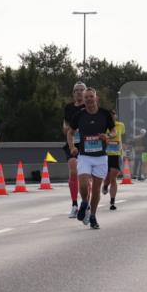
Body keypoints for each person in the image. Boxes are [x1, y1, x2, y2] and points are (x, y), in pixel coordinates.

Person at [67, 88, 114, 230]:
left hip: (101, 157)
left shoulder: (105, 114)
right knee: (83, 183)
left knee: (96, 189)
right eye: (86, 97)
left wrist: (108, 136)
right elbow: (70, 132)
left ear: (96, 98)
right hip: (85, 156)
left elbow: (113, 131)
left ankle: (93, 216)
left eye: (91, 97)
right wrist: (72, 147)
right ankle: (84, 203)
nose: (88, 99)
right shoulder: (79, 115)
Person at [62, 83, 87, 218]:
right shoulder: (69, 108)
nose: (79, 92)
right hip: (71, 143)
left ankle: (86, 202)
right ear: (73, 93)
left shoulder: (89, 107)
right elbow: (65, 123)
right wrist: (67, 129)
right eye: (76, 90)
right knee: (73, 172)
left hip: (86, 144)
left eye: (81, 90)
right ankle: (74, 204)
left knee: (84, 175)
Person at [102, 108, 125, 210]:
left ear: (115, 116)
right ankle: (105, 185)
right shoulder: (103, 126)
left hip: (116, 154)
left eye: (113, 114)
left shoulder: (121, 125)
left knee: (113, 178)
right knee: (107, 177)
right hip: (105, 155)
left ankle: (112, 201)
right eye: (110, 115)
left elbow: (122, 135)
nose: (112, 116)